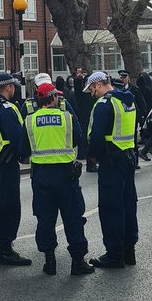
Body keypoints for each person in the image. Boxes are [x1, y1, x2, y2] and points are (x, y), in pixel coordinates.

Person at [21, 82, 95, 276]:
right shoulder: (67, 118)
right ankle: (78, 261)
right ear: (53, 98)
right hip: (65, 174)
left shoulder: (30, 120)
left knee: (45, 218)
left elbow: (23, 147)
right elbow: (78, 139)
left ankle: (49, 261)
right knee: (73, 218)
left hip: (41, 175)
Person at [85, 71, 139, 268]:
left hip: (111, 160)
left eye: (92, 89)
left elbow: (96, 137)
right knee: (128, 204)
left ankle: (114, 254)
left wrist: (94, 156)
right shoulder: (128, 101)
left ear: (98, 84)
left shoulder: (104, 104)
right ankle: (129, 251)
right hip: (128, 157)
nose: (92, 93)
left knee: (110, 207)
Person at [0, 72, 30, 266]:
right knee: (8, 205)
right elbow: (19, 138)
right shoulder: (7, 108)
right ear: (8, 87)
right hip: (5, 161)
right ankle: (5, 249)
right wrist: (25, 153)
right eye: (13, 86)